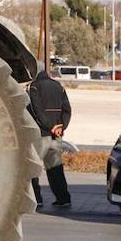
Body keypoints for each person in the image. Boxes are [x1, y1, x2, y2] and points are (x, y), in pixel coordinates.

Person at [27, 68, 71, 208]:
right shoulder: (59, 86)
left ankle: (36, 198)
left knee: (33, 167)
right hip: (56, 135)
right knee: (55, 168)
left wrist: (50, 126)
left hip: (41, 134)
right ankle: (63, 198)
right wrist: (61, 126)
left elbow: (36, 110)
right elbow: (67, 109)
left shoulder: (34, 87)